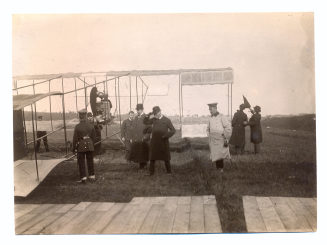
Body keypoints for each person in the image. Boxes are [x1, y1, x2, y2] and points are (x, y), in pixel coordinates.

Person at [144, 106, 176, 175]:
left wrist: (166, 136)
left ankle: (169, 172)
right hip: (154, 142)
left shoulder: (167, 120)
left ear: (160, 112)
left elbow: (173, 130)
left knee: (166, 157)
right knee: (152, 157)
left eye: (156, 113)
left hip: (163, 141)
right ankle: (151, 172)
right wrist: (148, 115)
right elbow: (145, 122)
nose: (155, 115)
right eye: (154, 114)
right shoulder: (154, 119)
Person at [72, 109, 96, 184]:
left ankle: (83, 178)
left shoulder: (77, 126)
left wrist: (74, 148)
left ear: (80, 117)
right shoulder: (91, 126)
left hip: (81, 146)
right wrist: (91, 144)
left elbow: (75, 139)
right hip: (90, 145)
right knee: (90, 161)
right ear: (85, 116)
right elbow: (94, 138)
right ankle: (92, 176)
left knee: (81, 162)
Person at [206, 103, 232, 172]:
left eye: (211, 109)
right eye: (209, 109)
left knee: (221, 154)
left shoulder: (222, 117)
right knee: (215, 154)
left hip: (221, 138)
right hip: (213, 139)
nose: (210, 111)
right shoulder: (210, 118)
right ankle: (218, 168)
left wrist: (226, 137)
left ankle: (221, 169)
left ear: (215, 108)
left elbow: (228, 127)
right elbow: (207, 128)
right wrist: (209, 135)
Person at [131, 104, 150, 169]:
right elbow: (133, 127)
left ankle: (143, 164)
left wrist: (146, 137)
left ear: (142, 109)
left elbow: (149, 129)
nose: (137, 111)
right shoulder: (136, 117)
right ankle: (141, 164)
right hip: (137, 137)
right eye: (137, 110)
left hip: (143, 137)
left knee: (143, 151)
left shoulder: (146, 117)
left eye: (138, 110)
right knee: (138, 151)